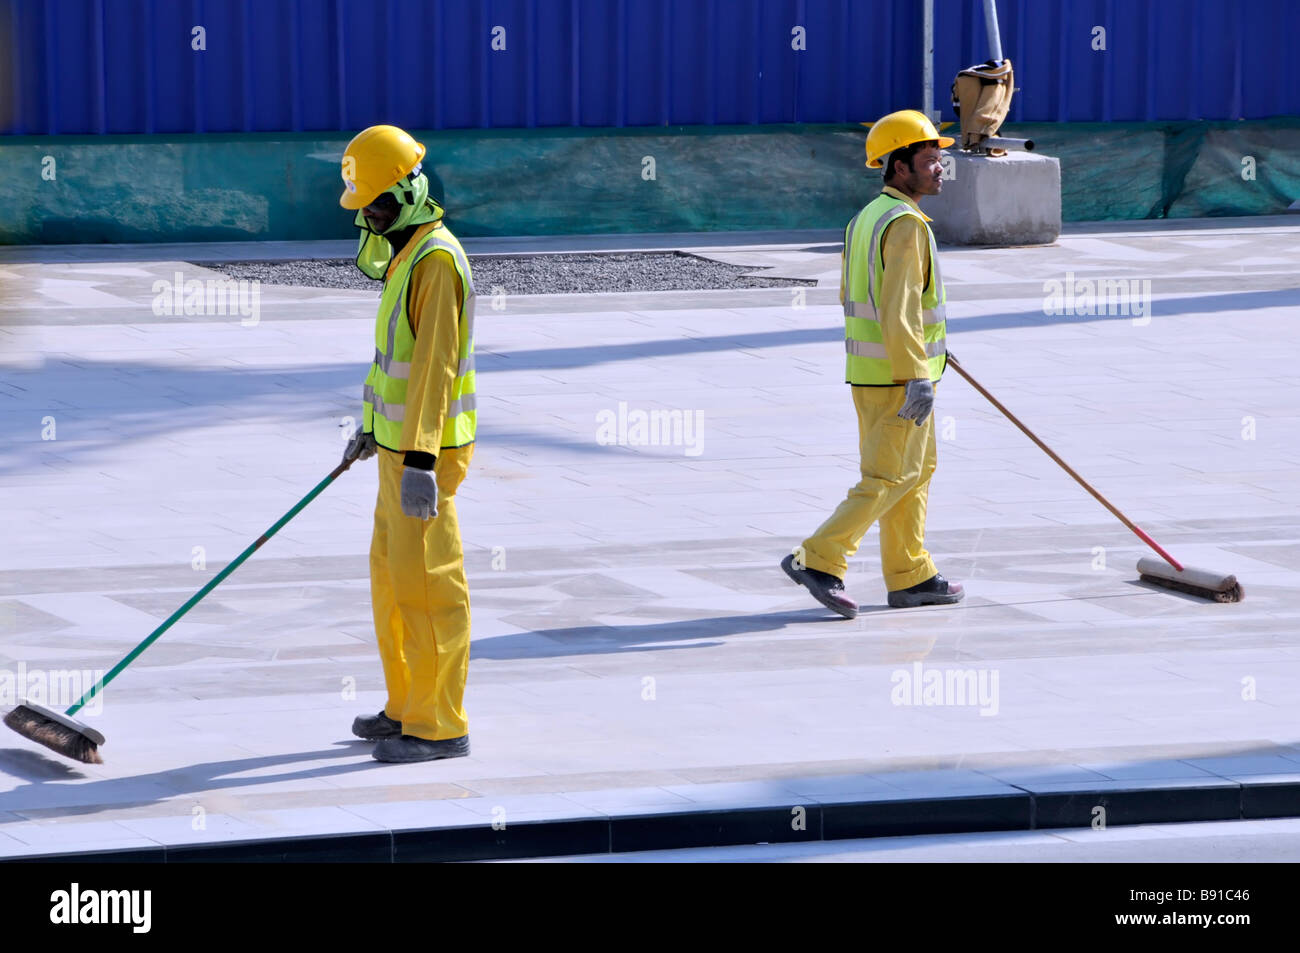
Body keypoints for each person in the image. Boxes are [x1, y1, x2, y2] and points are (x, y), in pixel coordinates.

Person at [782, 109, 964, 619]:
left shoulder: (865, 218)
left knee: (915, 470)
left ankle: (912, 575)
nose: (939, 169)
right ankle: (818, 559)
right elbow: (898, 305)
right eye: (929, 160)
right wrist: (915, 373)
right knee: (888, 476)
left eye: (939, 160)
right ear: (898, 167)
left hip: (874, 373)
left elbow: (856, 297)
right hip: (898, 378)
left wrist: (932, 348)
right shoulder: (905, 225)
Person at [337, 124, 478, 762]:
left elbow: (434, 370)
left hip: (425, 459)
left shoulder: (436, 261)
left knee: (429, 589)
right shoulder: (404, 256)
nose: (369, 215)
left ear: (410, 193)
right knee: (392, 583)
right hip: (395, 454)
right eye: (363, 206)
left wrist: (420, 459)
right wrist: (371, 428)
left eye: (377, 203)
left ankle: (440, 724)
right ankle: (405, 704)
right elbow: (395, 359)